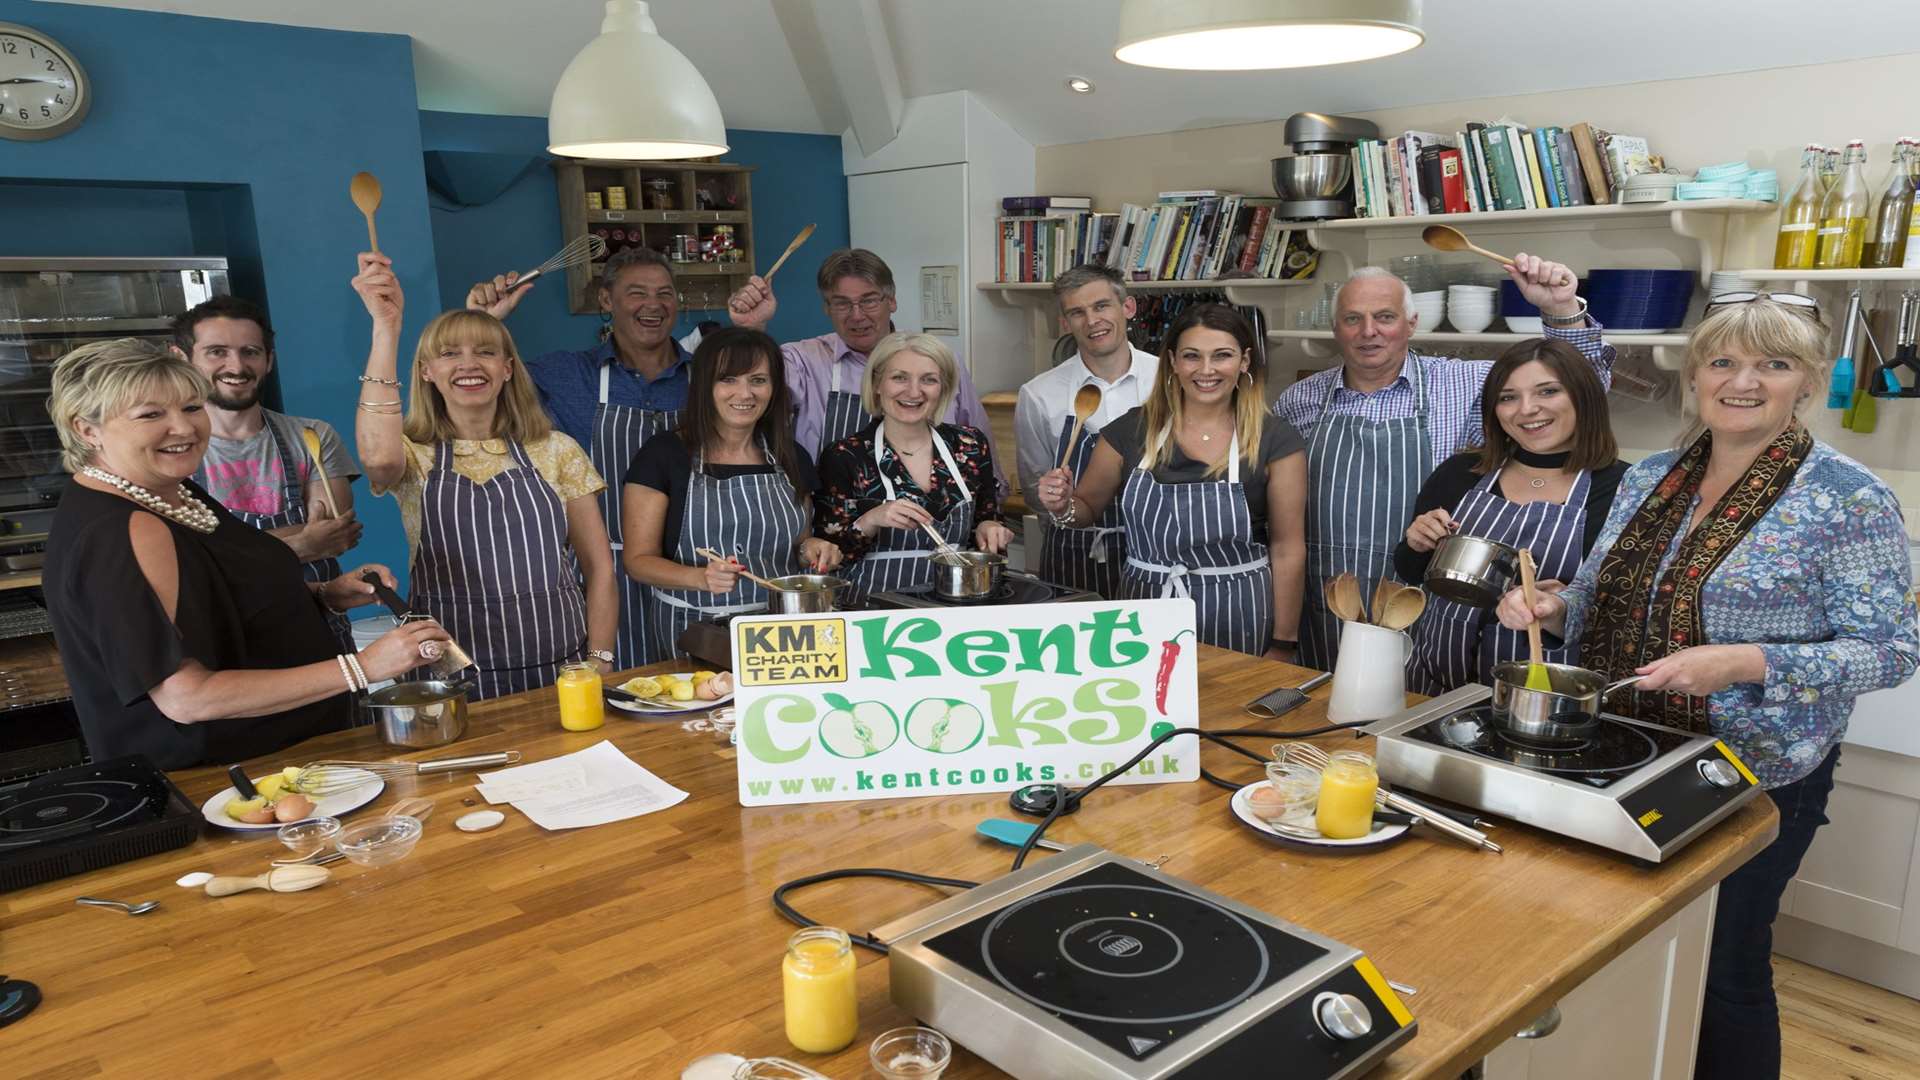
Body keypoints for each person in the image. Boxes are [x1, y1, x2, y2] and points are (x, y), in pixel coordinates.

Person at [1494, 295, 1919, 1080]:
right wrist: (1551, 607)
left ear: (1809, 383)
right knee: (1624, 950)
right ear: (1695, 379)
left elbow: (1892, 652)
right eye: (1723, 362)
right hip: (1623, 750)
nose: (1743, 381)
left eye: (1773, 364)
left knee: (1727, 968)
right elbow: (1594, 597)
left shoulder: (1846, 499)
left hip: (1752, 774)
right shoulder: (1652, 477)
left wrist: (1743, 660)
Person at [41, 338, 448, 769]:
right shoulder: (121, 531)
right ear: (87, 429)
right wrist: (363, 667)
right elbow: (186, 697)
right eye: (151, 414)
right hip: (225, 783)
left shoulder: (171, 490)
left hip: (290, 757)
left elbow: (213, 604)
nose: (183, 429)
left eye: (192, 407)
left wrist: (325, 594)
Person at [1273, 258, 1612, 670]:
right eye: (1352, 318)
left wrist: (1560, 310)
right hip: (1328, 597)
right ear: (1336, 328)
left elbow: (1576, 386)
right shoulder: (1298, 400)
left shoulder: (1467, 382)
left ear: (1412, 323)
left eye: (1385, 317)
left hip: (1429, 606)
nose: (1368, 331)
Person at [354, 253, 619, 699]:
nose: (469, 364)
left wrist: (600, 659)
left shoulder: (557, 451)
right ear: (426, 372)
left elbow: (599, 569)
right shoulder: (413, 456)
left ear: (507, 368)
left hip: (563, 671)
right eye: (449, 354)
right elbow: (377, 459)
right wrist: (386, 327)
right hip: (450, 676)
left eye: (485, 352)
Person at [1033, 304, 1307, 658]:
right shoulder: (1131, 431)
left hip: (1241, 612)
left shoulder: (1275, 438)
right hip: (1146, 611)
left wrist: (1284, 642)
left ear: (1244, 361)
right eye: (1192, 356)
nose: (1206, 370)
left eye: (1222, 356)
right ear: (1173, 362)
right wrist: (1062, 505)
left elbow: (1288, 549)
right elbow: (1084, 509)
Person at [465, 246, 689, 667]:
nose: (653, 305)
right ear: (606, 301)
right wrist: (485, 323)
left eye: (665, 293)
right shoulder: (566, 375)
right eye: (637, 293)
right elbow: (480, 391)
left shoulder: (707, 376)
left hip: (690, 568)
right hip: (602, 570)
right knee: (615, 693)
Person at [1393, 338, 1627, 693]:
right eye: (1508, 397)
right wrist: (1417, 543)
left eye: (1547, 392)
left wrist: (1560, 607)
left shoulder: (1624, 488)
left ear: (1583, 397)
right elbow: (1412, 573)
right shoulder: (1460, 472)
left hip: (1546, 699)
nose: (1527, 409)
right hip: (1433, 686)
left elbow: (1624, 612)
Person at [622, 327, 842, 656]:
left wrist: (813, 547)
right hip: (697, 630)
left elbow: (799, 544)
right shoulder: (664, 455)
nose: (745, 393)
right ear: (704, 386)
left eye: (758, 380)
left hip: (782, 633)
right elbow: (638, 561)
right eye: (728, 380)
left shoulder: (791, 456)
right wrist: (700, 578)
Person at [725, 248, 1005, 490]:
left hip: (934, 527)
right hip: (831, 529)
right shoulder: (800, 360)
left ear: (891, 301)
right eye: (842, 303)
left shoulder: (941, 362)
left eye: (869, 300)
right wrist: (752, 329)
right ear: (827, 308)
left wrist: (992, 513)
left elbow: (981, 452)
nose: (857, 315)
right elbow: (747, 392)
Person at [172, 296, 363, 647]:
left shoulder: (313, 437)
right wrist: (303, 542)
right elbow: (184, 564)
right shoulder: (169, 452)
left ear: (269, 360)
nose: (236, 365)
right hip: (226, 643)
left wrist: (223, 555)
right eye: (217, 352)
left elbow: (333, 537)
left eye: (250, 352)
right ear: (181, 359)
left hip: (319, 630)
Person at [814, 332, 1011, 599]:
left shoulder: (970, 445)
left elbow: (985, 523)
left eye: (928, 380)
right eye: (899, 378)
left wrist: (989, 530)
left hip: (955, 606)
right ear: (876, 384)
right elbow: (829, 558)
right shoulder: (845, 456)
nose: (914, 391)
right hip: (873, 612)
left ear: (944, 387)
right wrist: (872, 520)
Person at [1013, 264, 1158, 598]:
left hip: (1155, 554)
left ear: (1128, 307)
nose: (1092, 321)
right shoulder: (1039, 394)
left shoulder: (1169, 380)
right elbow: (1037, 491)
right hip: (1072, 555)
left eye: (1102, 306)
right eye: (1077, 312)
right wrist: (1061, 504)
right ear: (1065, 323)